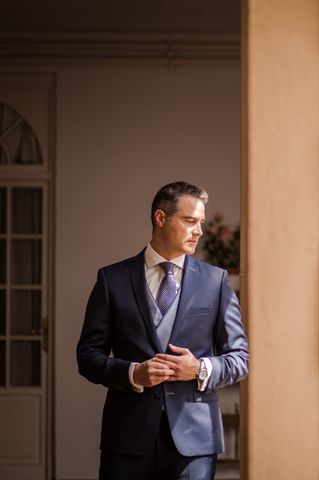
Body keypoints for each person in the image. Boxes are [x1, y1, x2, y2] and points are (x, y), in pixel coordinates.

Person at [77, 181, 249, 480]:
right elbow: (88, 356)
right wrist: (133, 374)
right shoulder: (112, 279)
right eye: (190, 221)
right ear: (161, 218)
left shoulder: (215, 281)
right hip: (127, 438)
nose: (199, 231)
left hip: (194, 442)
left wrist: (200, 369)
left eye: (202, 223)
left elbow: (240, 358)